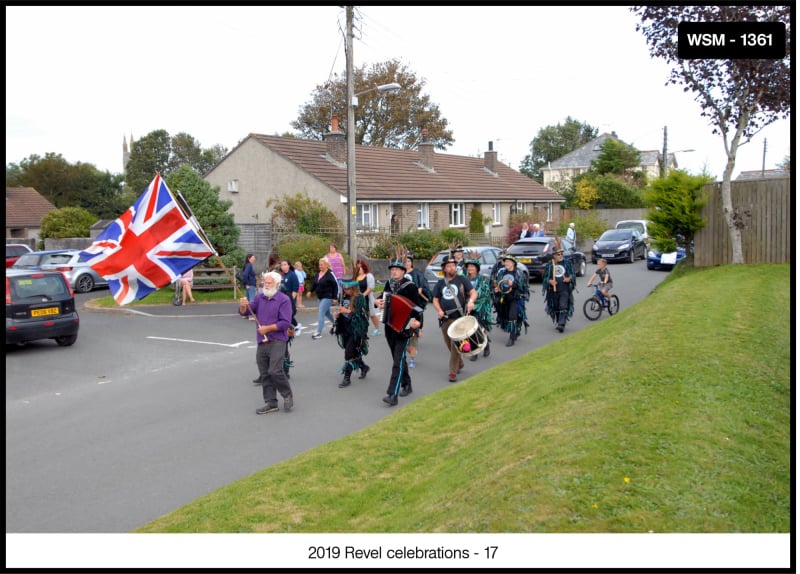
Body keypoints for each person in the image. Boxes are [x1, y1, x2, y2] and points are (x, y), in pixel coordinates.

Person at [239, 271, 294, 414]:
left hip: (277, 340)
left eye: (269, 283)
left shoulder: (283, 300)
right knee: (264, 373)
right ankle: (271, 402)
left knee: (275, 371)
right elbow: (246, 312)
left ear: (276, 284)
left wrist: (267, 328)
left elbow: (285, 323)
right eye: (265, 282)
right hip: (262, 342)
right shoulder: (259, 298)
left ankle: (287, 394)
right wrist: (243, 305)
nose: (266, 285)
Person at [375, 251, 423, 406]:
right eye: (392, 269)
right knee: (399, 358)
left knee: (397, 361)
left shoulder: (410, 287)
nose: (394, 271)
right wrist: (378, 302)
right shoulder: (389, 284)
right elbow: (382, 296)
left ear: (403, 271)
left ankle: (392, 394)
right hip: (390, 325)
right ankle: (407, 384)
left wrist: (417, 325)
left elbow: (418, 309)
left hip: (404, 328)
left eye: (397, 269)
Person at [432, 253, 477, 383]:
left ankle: (452, 371)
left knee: (455, 345)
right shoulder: (440, 283)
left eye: (453, 265)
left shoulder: (462, 280)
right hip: (445, 318)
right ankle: (460, 362)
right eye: (449, 266)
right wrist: (439, 310)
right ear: (444, 269)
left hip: (459, 318)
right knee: (449, 344)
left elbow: (473, 292)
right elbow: (435, 299)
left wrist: (471, 301)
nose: (451, 268)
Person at [333, 269, 371, 388]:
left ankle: (347, 378)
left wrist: (348, 311)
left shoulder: (360, 298)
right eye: (344, 288)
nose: (345, 290)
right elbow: (341, 310)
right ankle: (363, 367)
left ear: (353, 288)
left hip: (356, 330)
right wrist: (338, 314)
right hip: (345, 327)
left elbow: (362, 315)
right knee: (352, 351)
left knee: (349, 352)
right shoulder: (342, 296)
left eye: (347, 288)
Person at [492, 253, 529, 346]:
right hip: (504, 298)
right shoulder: (501, 273)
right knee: (506, 316)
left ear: (513, 263)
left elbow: (523, 287)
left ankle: (511, 338)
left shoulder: (518, 273)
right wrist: (497, 289)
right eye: (505, 261)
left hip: (515, 298)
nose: (506, 263)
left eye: (508, 261)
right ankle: (515, 331)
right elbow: (499, 284)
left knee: (512, 316)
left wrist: (513, 284)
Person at [403, 253, 432, 369]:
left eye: (408, 261)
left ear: (412, 263)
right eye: (405, 261)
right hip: (403, 306)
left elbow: (424, 286)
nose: (406, 263)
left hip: (415, 304)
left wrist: (421, 290)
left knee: (414, 328)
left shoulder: (417, 274)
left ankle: (413, 358)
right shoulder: (399, 275)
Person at [464, 251, 493, 360]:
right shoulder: (464, 279)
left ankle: (486, 345)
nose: (470, 269)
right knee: (470, 330)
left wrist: (474, 302)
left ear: (477, 268)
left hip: (479, 308)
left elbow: (484, 294)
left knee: (480, 329)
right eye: (469, 267)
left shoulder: (483, 279)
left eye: (472, 266)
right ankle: (474, 352)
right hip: (467, 308)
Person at [543, 242, 576, 333]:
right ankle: (559, 322)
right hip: (553, 291)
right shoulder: (549, 266)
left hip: (564, 289)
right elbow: (545, 278)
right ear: (554, 255)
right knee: (556, 307)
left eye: (562, 254)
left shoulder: (567, 263)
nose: (561, 256)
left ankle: (561, 324)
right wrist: (550, 281)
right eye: (558, 254)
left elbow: (573, 274)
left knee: (563, 305)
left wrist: (569, 278)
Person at [307, 257, 339, 339]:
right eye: (319, 265)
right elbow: (314, 283)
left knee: (321, 312)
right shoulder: (319, 273)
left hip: (328, 297)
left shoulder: (330, 274)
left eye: (322, 265)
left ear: (326, 265)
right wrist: (310, 291)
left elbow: (335, 286)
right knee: (327, 313)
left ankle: (318, 332)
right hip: (320, 297)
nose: (320, 266)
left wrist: (335, 297)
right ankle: (338, 324)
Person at [355, 259, 382, 336]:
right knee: (360, 314)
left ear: (363, 267)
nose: (358, 269)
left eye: (359, 268)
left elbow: (370, 288)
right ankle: (362, 329)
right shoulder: (356, 277)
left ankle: (377, 329)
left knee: (372, 315)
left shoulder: (369, 276)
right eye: (357, 268)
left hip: (367, 299)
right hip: (358, 299)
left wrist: (363, 295)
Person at [278, 259, 300, 331]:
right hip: (282, 297)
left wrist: (293, 297)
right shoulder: (282, 275)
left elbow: (296, 286)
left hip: (289, 296)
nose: (283, 266)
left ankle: (294, 326)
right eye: (282, 265)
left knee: (289, 312)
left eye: (285, 264)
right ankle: (294, 325)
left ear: (289, 265)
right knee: (284, 313)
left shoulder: (292, 275)